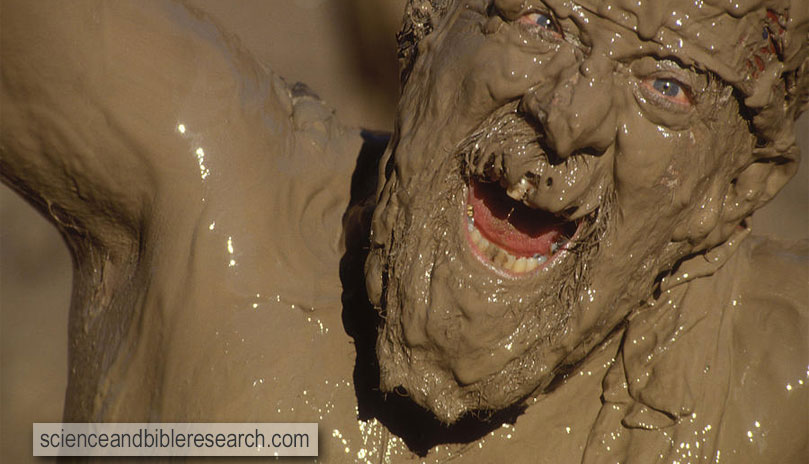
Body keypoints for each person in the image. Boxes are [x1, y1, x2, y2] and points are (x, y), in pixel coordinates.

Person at [1, 0, 806, 463]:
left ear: (734, 189)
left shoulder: (759, 382)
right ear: (428, 21)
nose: (571, 119)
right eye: (540, 20)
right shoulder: (206, 189)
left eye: (666, 87)